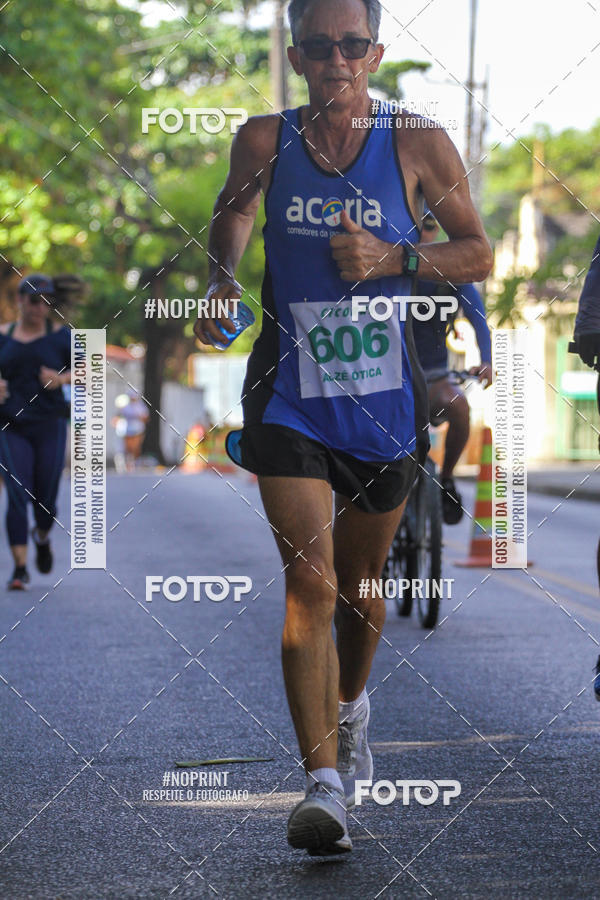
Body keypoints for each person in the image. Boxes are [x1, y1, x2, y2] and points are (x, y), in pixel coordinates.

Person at [194, 0, 492, 856]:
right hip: (289, 392)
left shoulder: (419, 142)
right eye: (319, 47)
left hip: (386, 395)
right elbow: (236, 211)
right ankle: (322, 784)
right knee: (311, 582)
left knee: (363, 591)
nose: (336, 60)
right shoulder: (264, 140)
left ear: (376, 50)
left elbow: (477, 253)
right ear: (296, 53)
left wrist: (394, 258)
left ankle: (353, 706)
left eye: (352, 45)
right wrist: (222, 277)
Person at [0, 273, 79, 590]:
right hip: (10, 426)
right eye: (34, 300)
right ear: (20, 300)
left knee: (45, 499)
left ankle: (42, 536)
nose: (39, 308)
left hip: (50, 424)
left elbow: (92, 368)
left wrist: (61, 380)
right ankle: (19, 569)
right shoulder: (3, 337)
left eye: (46, 302)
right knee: (17, 494)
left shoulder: (63, 337)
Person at [413, 213, 493, 523]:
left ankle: (446, 479)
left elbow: (477, 317)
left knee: (460, 407)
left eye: (431, 225)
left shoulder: (447, 272)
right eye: (418, 224)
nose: (424, 232)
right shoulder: (386, 265)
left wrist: (486, 359)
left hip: (434, 377)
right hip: (392, 381)